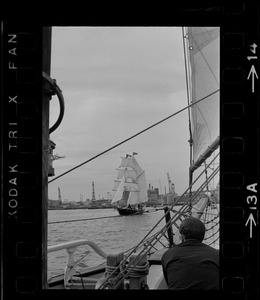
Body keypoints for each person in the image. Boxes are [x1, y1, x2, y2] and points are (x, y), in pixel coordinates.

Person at [161, 216, 219, 290]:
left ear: (182, 236)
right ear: (203, 236)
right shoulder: (216, 255)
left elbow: (168, 282)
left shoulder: (168, 255)